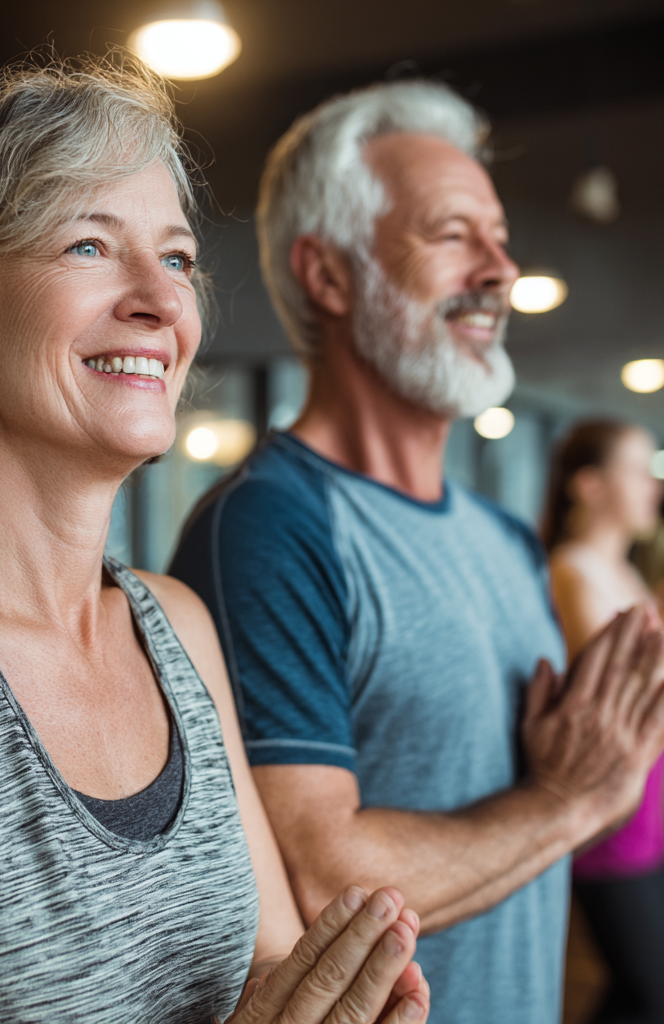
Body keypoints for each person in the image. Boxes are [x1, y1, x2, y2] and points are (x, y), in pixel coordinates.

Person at [0, 60, 432, 1024]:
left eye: (176, 258)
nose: (159, 301)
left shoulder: (176, 627)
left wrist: (334, 1000)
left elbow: (261, 966)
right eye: (90, 245)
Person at [169, 80, 664, 1024]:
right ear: (330, 274)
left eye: (500, 235)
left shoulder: (509, 540)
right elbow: (325, 888)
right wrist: (569, 800)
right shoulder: (270, 525)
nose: (501, 268)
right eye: (452, 234)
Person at [545, 419, 664, 1023]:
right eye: (639, 470)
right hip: (611, 811)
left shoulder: (630, 574)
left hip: (650, 799)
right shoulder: (573, 569)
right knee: (647, 986)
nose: (653, 487)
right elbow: (626, 694)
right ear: (590, 485)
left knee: (646, 985)